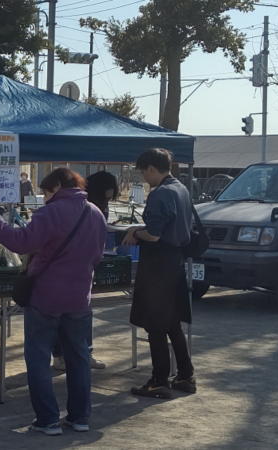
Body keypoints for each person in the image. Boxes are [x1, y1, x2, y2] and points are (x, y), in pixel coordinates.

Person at [0, 168, 106, 436]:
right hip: (79, 298)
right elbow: (98, 255)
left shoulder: (50, 213)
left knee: (38, 358)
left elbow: (21, 243)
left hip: (46, 297)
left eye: (47, 192)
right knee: (79, 358)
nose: (45, 197)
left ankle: (47, 420)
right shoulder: (95, 213)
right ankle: (80, 417)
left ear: (57, 187)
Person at [122, 148, 195, 399]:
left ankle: (159, 380)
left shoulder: (161, 194)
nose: (144, 178)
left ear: (152, 169)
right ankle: (185, 375)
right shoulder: (181, 189)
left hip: (157, 267)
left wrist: (134, 232)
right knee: (173, 323)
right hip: (176, 263)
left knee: (155, 325)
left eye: (144, 173)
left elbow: (153, 235)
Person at [53, 170, 120, 372]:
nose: (108, 200)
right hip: (66, 270)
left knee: (80, 315)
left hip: (83, 270)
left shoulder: (99, 208)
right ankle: (61, 356)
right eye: (107, 194)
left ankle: (82, 354)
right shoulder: (79, 205)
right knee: (62, 316)